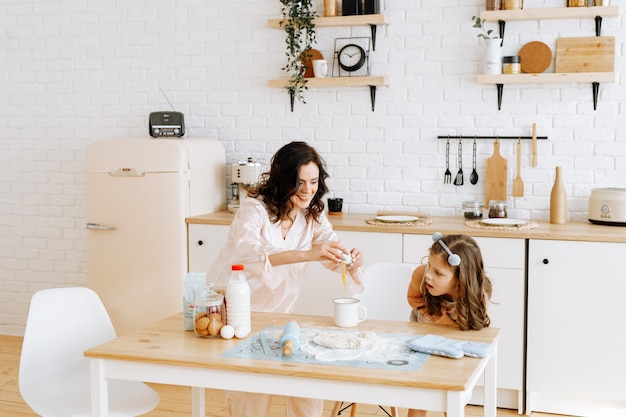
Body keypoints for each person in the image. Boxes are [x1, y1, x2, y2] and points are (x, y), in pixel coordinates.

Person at [211, 141, 364, 417]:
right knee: (251, 399)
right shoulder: (254, 207)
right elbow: (247, 254)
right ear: (283, 180)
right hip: (240, 312)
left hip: (283, 315)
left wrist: (348, 260)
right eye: (300, 182)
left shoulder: (313, 213)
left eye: (314, 182)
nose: (308, 190)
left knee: (306, 387)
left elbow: (328, 250)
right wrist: (308, 254)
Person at [406, 233, 492, 417]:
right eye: (430, 264)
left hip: (454, 343)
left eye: (438, 272)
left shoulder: (476, 294)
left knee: (450, 392)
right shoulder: (421, 275)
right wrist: (431, 315)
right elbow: (412, 297)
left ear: (460, 279)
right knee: (419, 393)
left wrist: (446, 323)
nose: (429, 274)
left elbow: (473, 329)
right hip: (421, 340)